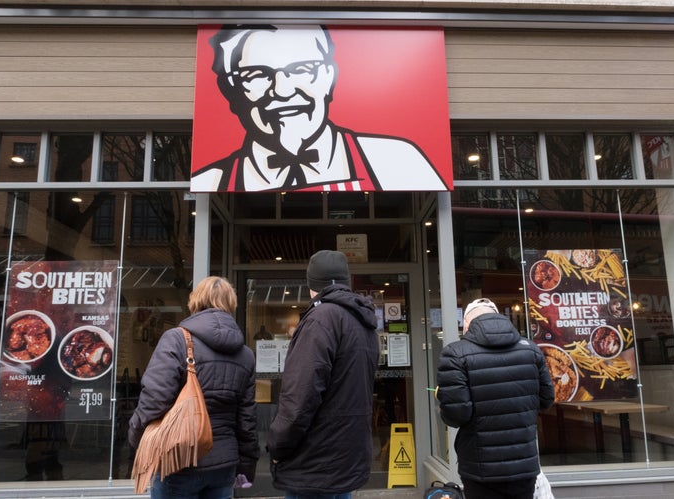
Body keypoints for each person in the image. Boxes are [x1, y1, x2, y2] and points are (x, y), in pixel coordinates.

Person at [191, 24, 448, 192]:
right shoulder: (210, 181)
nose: (283, 90)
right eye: (257, 74)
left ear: (328, 78)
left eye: (302, 69)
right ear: (231, 91)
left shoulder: (397, 160)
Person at [128, 276, 259, 499]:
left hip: (179, 459)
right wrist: (246, 464)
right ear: (231, 303)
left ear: (195, 301)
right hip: (224, 463)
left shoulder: (176, 340)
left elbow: (155, 399)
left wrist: (136, 437)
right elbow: (247, 418)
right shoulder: (245, 354)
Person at [267, 250, 379, 498]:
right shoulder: (363, 321)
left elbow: (300, 397)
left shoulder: (321, 319)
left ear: (311, 285)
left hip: (315, 464)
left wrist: (277, 446)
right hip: (344, 460)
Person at [436, 298, 555, 499]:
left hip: (480, 466)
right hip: (523, 463)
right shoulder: (531, 350)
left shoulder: (455, 354)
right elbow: (546, 400)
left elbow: (457, 416)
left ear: (467, 324)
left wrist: (445, 400)